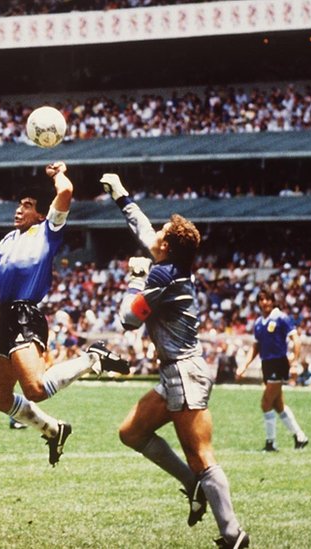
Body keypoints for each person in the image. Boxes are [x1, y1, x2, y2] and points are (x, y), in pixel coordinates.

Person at [100, 173, 250, 549]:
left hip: (184, 372)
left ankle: (233, 535)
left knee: (201, 456)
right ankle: (192, 486)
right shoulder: (171, 266)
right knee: (131, 432)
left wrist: (136, 278)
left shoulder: (164, 276)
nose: (155, 236)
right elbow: (145, 229)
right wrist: (121, 195)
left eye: (161, 234)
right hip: (176, 373)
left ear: (165, 246)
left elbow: (128, 319)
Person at [0, 162, 129, 466]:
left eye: (27, 206)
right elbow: (1, 278)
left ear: (40, 214)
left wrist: (58, 174)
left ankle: (92, 358)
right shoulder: (7, 241)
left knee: (37, 389)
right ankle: (54, 430)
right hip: (4, 316)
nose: (19, 210)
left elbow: (66, 191)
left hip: (25, 315)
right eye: (19, 205)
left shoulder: (47, 230)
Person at [236, 287, 308, 451]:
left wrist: (295, 363)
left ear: (273, 301)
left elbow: (296, 340)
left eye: (267, 299)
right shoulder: (258, 323)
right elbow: (256, 347)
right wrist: (244, 366)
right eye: (261, 299)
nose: (264, 302)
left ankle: (270, 442)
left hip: (279, 363)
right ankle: (300, 437)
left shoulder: (282, 318)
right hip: (266, 364)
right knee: (278, 405)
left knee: (265, 403)